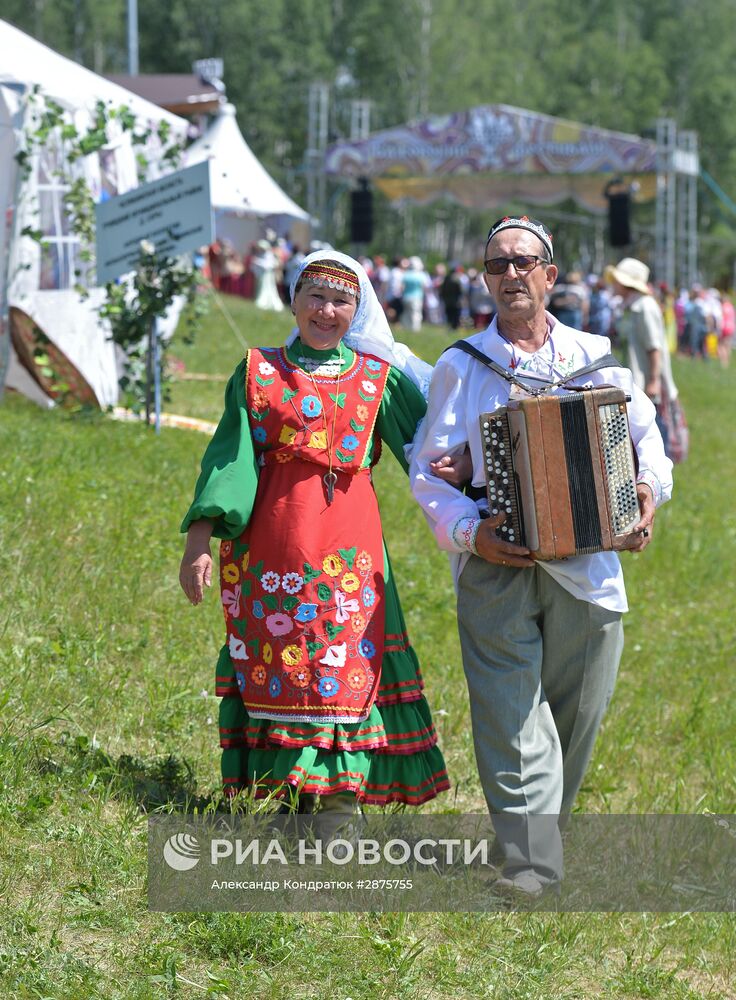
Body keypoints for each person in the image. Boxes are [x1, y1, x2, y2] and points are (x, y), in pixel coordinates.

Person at [411, 216, 673, 897]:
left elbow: (649, 447)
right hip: (499, 564)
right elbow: (427, 474)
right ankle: (531, 863)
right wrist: (472, 532)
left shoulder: (597, 358)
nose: (509, 275)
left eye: (523, 262)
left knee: (572, 720)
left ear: (550, 275)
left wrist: (644, 495)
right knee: (509, 714)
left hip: (588, 569)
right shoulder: (464, 365)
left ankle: (531, 837)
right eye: (496, 264)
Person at [180, 250, 450, 832]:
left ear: (359, 310)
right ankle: (282, 794)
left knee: (343, 659)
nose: (327, 310)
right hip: (269, 547)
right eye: (316, 296)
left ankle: (336, 803)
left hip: (348, 552)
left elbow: (433, 448)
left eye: (341, 300)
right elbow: (230, 461)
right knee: (279, 659)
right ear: (294, 300)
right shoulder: (257, 371)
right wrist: (199, 537)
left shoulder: (381, 380)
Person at [606, 257, 682, 460]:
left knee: (654, 434)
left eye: (616, 280)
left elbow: (654, 348)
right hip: (635, 381)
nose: (613, 283)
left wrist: (654, 381)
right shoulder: (631, 307)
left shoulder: (644, 306)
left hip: (647, 383)